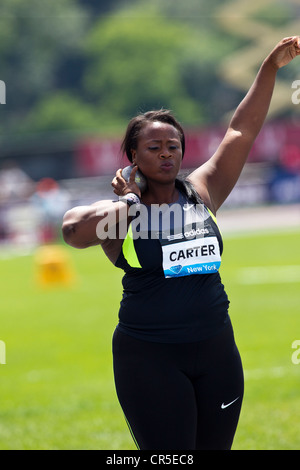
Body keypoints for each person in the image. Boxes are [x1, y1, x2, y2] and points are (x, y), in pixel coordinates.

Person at [62, 37, 300, 450]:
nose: (166, 154)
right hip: (150, 357)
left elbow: (241, 130)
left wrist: (270, 67)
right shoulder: (120, 213)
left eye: (174, 146)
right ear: (133, 157)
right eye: (154, 148)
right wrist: (130, 200)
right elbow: (71, 231)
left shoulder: (202, 191)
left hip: (216, 351)